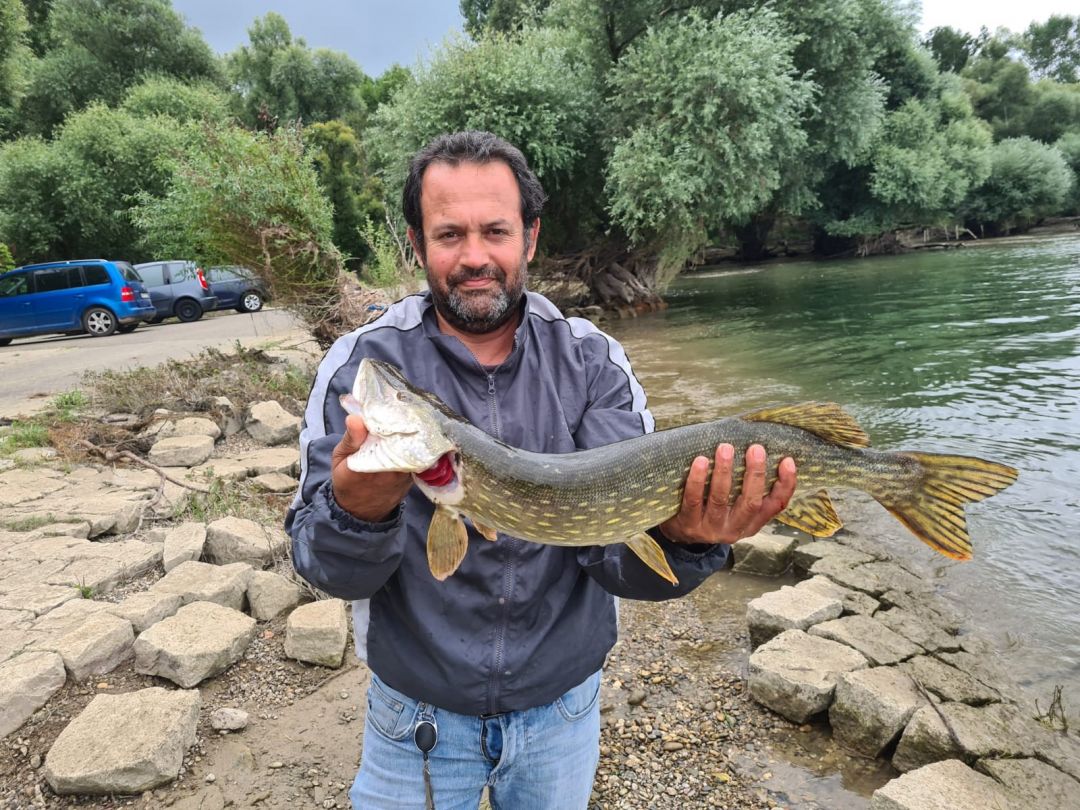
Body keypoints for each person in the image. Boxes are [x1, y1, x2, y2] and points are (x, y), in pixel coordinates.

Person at [287, 130, 797, 810]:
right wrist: (359, 510)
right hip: (416, 720)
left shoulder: (593, 364)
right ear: (418, 246)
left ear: (529, 238)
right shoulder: (360, 363)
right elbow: (326, 569)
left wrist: (690, 540)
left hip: (562, 713)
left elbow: (622, 565)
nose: (474, 257)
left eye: (495, 231)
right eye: (449, 235)